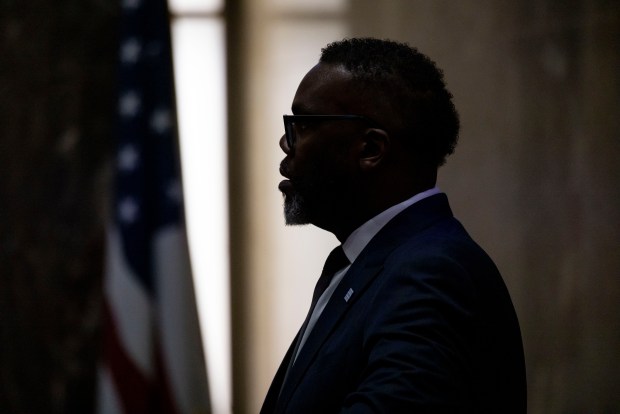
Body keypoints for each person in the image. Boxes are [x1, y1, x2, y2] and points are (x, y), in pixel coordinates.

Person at [261, 37, 526, 414]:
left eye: (302, 125)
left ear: (370, 149)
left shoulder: (430, 272)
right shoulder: (368, 263)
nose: (287, 144)